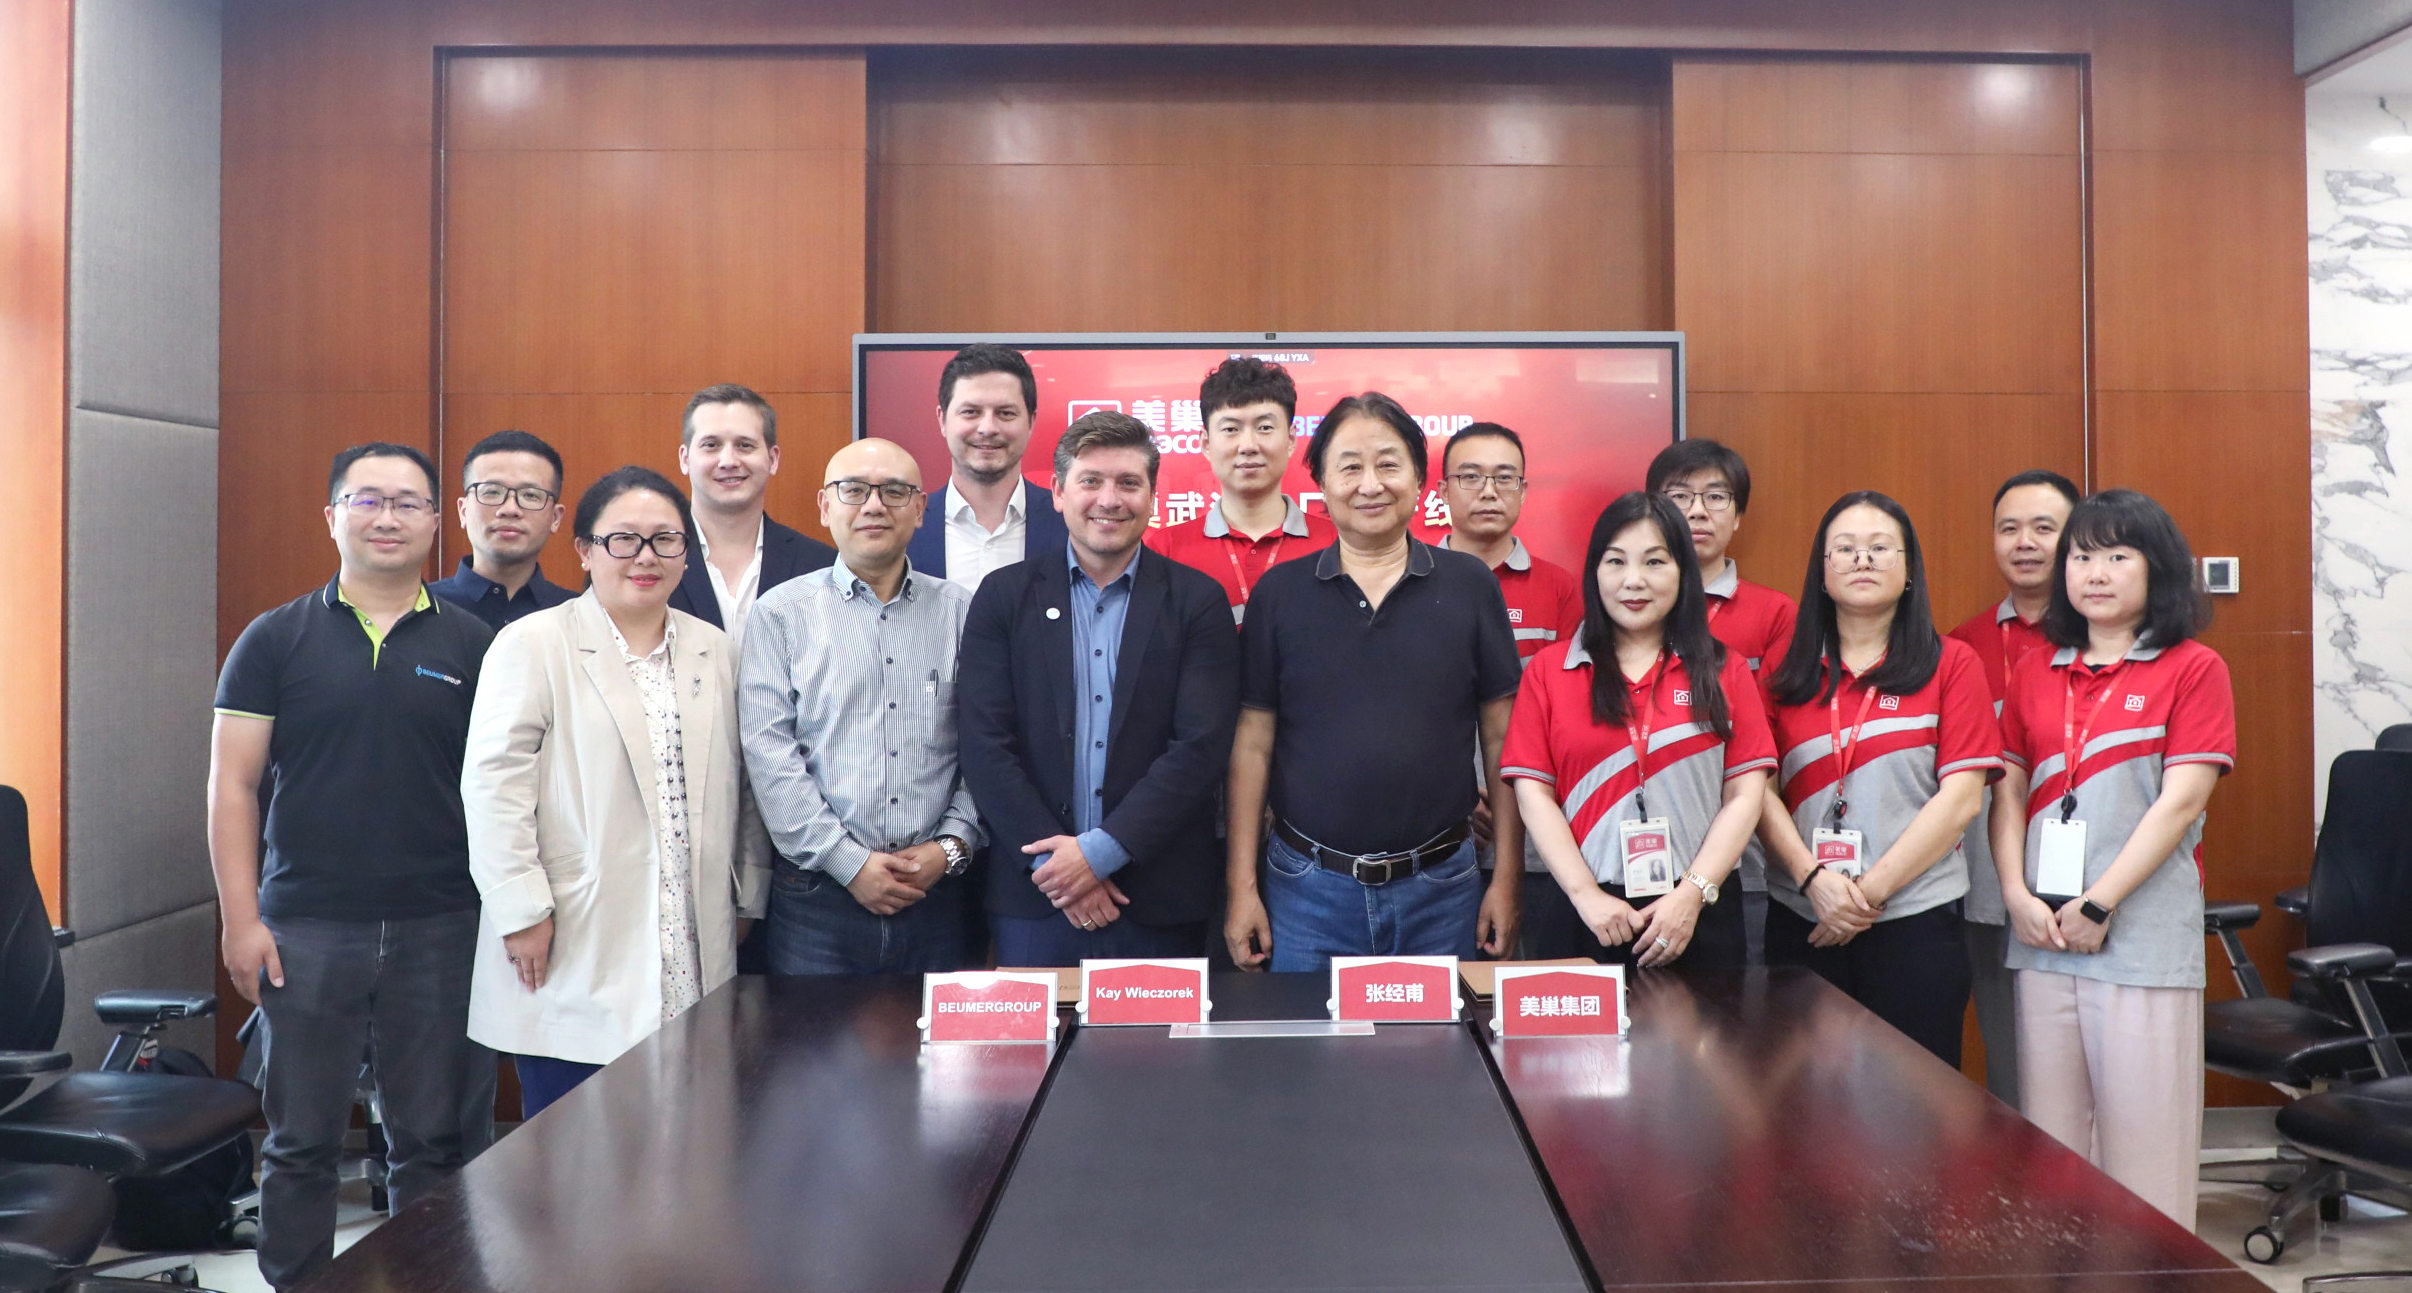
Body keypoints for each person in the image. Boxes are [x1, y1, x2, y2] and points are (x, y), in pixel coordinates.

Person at [208, 442, 495, 1292]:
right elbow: (233, 785)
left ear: (437, 522)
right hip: (305, 925)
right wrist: (241, 920)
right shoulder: (274, 638)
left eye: (408, 502)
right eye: (367, 500)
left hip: (444, 923)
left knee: (431, 1142)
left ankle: (426, 1280)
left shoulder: (475, 643)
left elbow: (506, 787)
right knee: (301, 1141)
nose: (387, 517)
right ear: (332, 515)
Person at [460, 466, 769, 1118]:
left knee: (690, 1138)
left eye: (665, 539)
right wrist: (520, 910)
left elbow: (746, 783)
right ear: (584, 549)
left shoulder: (714, 650)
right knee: (575, 1148)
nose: (646, 557)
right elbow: (493, 786)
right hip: (571, 931)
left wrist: (747, 893)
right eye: (623, 539)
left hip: (691, 936)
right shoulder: (534, 643)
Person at [1993, 488, 2233, 1230]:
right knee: (2052, 1145)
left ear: (2157, 567)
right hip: (2043, 933)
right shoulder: (2037, 669)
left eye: (2117, 556)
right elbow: (2008, 792)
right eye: (2081, 556)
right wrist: (2014, 893)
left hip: (2140, 939)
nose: (2094, 573)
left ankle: (2151, 1277)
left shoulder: (2193, 667)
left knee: (2146, 1153)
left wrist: (2100, 902)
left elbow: (2181, 803)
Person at [1224, 392, 1524, 973]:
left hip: (1444, 889)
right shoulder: (1279, 595)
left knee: (1446, 1036)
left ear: (1420, 481)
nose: (1370, 484)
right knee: (1306, 1036)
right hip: (1305, 890)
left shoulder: (1469, 586)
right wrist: (1241, 889)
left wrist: (1506, 880)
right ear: (1320, 483)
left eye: (1388, 464)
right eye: (1350, 467)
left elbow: (1501, 740)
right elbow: (1252, 746)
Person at [960, 411, 1241, 964]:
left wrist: (1101, 854)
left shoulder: (1197, 601)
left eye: (1128, 483)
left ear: (1153, 497)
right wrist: (1057, 867)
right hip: (1037, 895)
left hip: (1156, 895)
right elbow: (983, 743)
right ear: (1058, 493)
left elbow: (1200, 748)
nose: (1109, 500)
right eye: (1090, 481)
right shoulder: (1003, 597)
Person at [1757, 491, 2001, 1064]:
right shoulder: (1783, 668)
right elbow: (1754, 791)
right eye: (1845, 549)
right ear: (1822, 572)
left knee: (1915, 1094)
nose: (1862, 560)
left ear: (1909, 568)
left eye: (1880, 548)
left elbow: (1962, 799)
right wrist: (1814, 881)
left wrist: (1864, 897)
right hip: (1803, 914)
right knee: (1803, 1095)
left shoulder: (1952, 663)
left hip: (1915, 919)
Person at [739, 438, 984, 974]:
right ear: (825, 506)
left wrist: (950, 846)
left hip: (938, 898)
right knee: (812, 1033)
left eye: (894, 491)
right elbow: (769, 754)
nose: (874, 505)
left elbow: (986, 747)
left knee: (938, 1034)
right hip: (817, 900)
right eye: (854, 490)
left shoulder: (961, 612)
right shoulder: (779, 614)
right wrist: (849, 863)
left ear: (920, 509)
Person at [1503, 492, 1774, 970]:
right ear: (1594, 572)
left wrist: (1691, 894)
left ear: (1683, 572)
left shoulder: (1723, 669)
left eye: (1655, 562)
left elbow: (1745, 794)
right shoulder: (1549, 671)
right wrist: (1586, 895)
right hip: (1583, 909)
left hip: (1699, 909)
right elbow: (1533, 793)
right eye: (1616, 561)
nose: (1634, 580)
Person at [1947, 468, 2082, 1106]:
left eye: (2043, 528)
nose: (2024, 542)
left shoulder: (2105, 636)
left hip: (2085, 876)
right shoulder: (1960, 646)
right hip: (1984, 876)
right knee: (2007, 1047)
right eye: (2009, 528)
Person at [1646, 438, 1798, 964]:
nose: (1697, 511)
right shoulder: (1625, 604)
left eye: (1715, 496)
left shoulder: (1774, 613)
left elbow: (1772, 743)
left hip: (1741, 858)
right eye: (1679, 496)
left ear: (1738, 516)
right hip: (1628, 852)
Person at [1440, 422, 1588, 958]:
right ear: (1442, 491)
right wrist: (1455, 794)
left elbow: (1571, 715)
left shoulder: (1560, 588)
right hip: (1440, 836)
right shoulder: (1413, 580)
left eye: (1505, 478)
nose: (1488, 491)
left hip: (1539, 838)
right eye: (1471, 477)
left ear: (1524, 490)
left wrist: (1520, 796)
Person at [1144, 356, 1334, 623]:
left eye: (1265, 427)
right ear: (1206, 443)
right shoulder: (1166, 549)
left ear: (1291, 439)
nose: (1248, 446)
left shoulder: (1337, 543)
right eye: (1231, 429)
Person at [668, 383, 838, 651]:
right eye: (711, 445)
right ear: (685, 459)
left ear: (773, 459)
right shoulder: (649, 560)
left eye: (745, 445)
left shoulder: (823, 567)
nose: (728, 461)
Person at [905, 343, 1072, 593]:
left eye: (1005, 413)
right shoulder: (903, 527)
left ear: (1031, 421)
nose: (987, 428)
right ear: (942, 419)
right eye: (971, 412)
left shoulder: (1070, 524)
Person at [429, 428, 577, 629]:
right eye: (492, 492)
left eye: (530, 495)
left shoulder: (579, 616)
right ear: (463, 511)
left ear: (555, 518)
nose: (510, 509)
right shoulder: (420, 611)